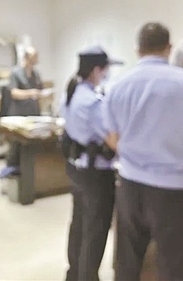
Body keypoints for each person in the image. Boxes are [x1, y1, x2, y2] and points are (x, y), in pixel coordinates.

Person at [104, 23, 183, 281]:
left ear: (137, 49)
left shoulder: (118, 85)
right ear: (169, 48)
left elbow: (111, 138)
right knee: (173, 263)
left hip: (130, 184)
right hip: (173, 188)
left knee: (127, 261)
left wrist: (135, 151)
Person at [60, 46, 121, 281]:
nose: (106, 74)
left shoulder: (71, 93)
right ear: (96, 70)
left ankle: (74, 273)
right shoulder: (93, 102)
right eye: (105, 70)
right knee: (95, 230)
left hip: (77, 167)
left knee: (79, 224)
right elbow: (113, 140)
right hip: (97, 173)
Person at [4, 47, 43, 171]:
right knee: (16, 144)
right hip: (19, 113)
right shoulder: (16, 73)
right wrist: (30, 93)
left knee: (32, 144)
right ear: (26, 58)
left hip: (33, 113)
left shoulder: (36, 74)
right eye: (32, 58)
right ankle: (12, 169)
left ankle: (29, 169)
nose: (35, 60)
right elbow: (14, 93)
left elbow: (40, 90)